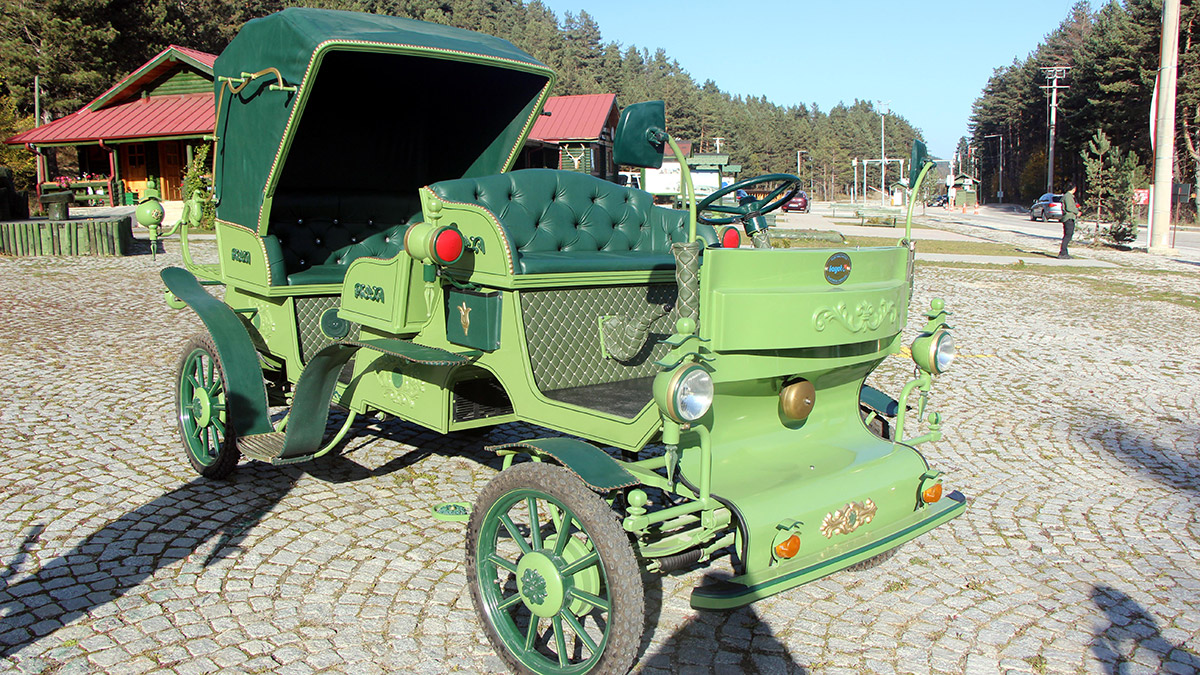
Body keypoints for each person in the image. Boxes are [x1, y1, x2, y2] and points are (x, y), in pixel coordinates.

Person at [1059, 181, 1079, 259]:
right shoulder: (1068, 196)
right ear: (1073, 188)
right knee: (1068, 235)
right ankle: (1062, 253)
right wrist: (1077, 212)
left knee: (1068, 235)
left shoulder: (1068, 196)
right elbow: (1069, 207)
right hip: (1069, 218)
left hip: (1068, 218)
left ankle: (1064, 252)